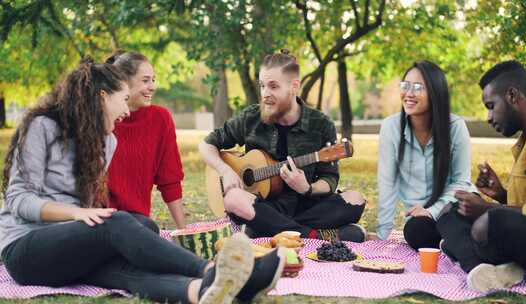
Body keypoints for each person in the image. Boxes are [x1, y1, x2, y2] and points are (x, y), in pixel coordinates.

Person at [0, 59, 285, 304]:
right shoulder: (44, 127)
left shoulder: (105, 141)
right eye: (123, 100)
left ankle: (202, 291)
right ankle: (212, 270)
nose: (127, 111)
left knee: (141, 228)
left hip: (69, 249)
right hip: (26, 250)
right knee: (119, 224)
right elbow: (19, 199)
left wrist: (92, 219)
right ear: (101, 97)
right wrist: (77, 213)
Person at [199, 50, 367, 241]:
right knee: (233, 199)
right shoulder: (251, 117)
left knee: (355, 199)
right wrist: (225, 171)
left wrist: (307, 188)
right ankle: (312, 234)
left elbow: (329, 179)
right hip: (263, 204)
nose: (265, 94)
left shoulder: (321, 124)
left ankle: (264, 229)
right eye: (262, 86)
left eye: (273, 86)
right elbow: (206, 145)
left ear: (294, 86)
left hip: (307, 206)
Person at [437, 60, 526, 292]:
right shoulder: (525, 140)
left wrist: (489, 209)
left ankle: (465, 251)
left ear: (513, 95)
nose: (489, 117)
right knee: (450, 212)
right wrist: (501, 195)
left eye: (491, 105)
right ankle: (482, 269)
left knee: (491, 222)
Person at [374, 60, 475, 250]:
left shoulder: (455, 127)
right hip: (421, 221)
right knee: (415, 230)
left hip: (453, 207)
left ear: (435, 93)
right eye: (406, 86)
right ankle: (453, 245)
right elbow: (387, 183)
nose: (409, 93)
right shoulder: (391, 127)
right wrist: (383, 237)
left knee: (467, 225)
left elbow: (462, 182)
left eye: (418, 87)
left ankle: (462, 247)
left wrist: (432, 211)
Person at [105, 51, 186, 229]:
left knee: (148, 228)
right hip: (100, 218)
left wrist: (183, 231)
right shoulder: (102, 118)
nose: (152, 87)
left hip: (138, 221)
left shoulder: (161, 119)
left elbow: (169, 179)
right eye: (145, 80)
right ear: (124, 82)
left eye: (153, 80)